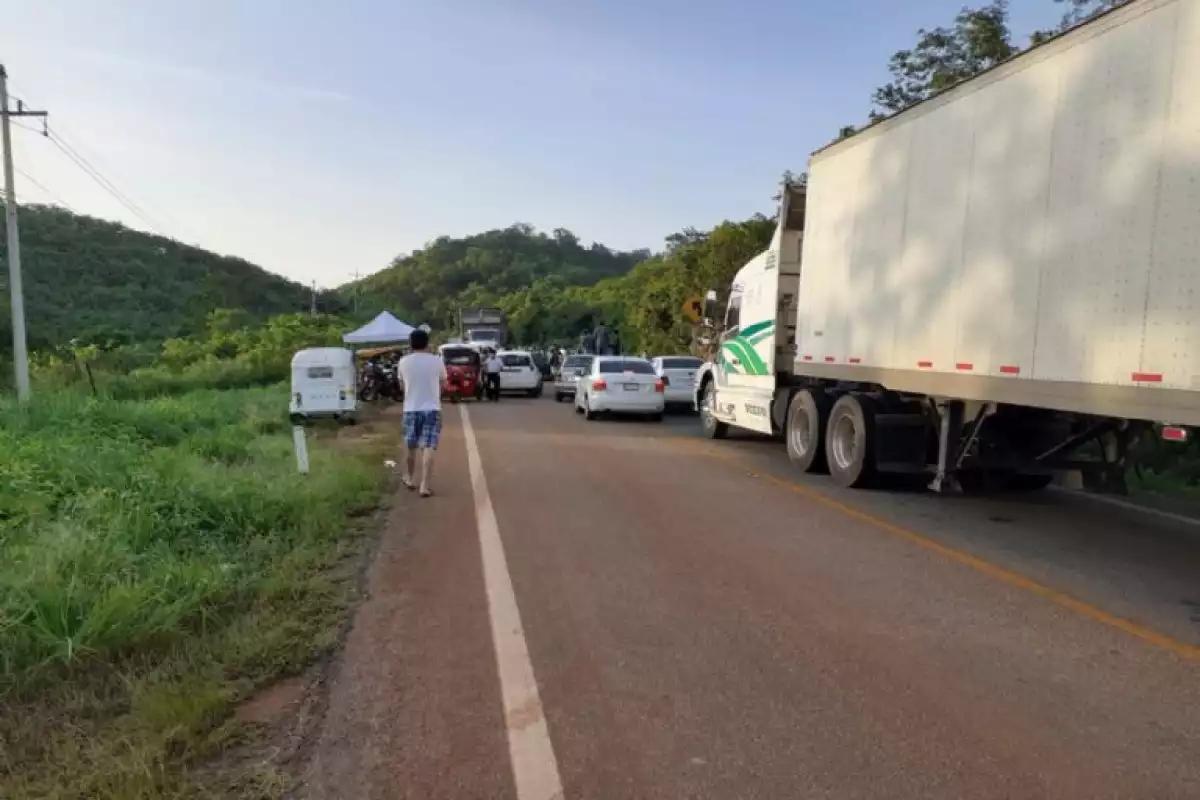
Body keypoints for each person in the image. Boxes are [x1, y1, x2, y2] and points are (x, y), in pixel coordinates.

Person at [395, 329, 447, 498]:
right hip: (432, 408)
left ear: (410, 344)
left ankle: (409, 478)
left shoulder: (403, 362)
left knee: (411, 446)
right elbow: (444, 384)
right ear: (427, 343)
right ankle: (424, 485)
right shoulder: (437, 361)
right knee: (429, 446)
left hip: (411, 408)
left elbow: (401, 387)